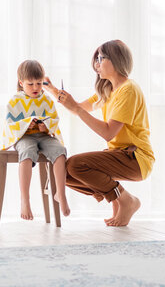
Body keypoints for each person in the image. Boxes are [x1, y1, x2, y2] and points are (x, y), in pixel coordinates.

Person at [44, 40, 155, 227]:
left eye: (101, 58)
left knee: (77, 165)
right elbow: (78, 107)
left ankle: (127, 201)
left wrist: (77, 110)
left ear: (117, 60)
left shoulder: (128, 90)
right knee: (65, 173)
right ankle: (118, 200)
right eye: (96, 58)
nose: (96, 63)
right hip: (119, 155)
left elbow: (109, 133)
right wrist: (52, 89)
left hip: (136, 157)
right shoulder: (107, 89)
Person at [3, 60, 70, 220]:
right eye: (30, 83)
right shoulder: (15, 101)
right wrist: (26, 124)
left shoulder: (46, 100)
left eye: (39, 83)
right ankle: (25, 200)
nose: (35, 88)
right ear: (21, 83)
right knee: (27, 152)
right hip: (24, 137)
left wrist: (45, 126)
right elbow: (10, 123)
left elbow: (54, 118)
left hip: (44, 137)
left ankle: (60, 193)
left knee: (60, 151)